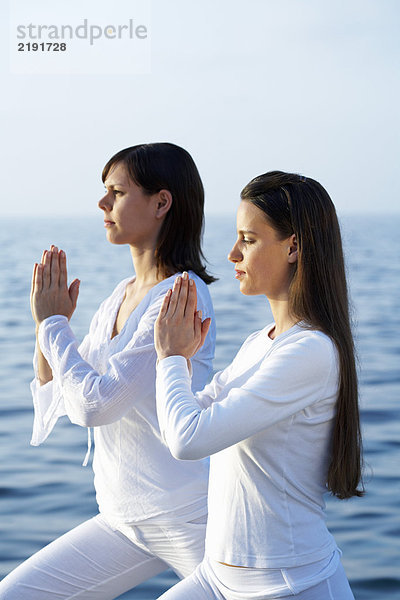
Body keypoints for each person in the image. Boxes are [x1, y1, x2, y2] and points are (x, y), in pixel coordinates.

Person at [0, 143, 216, 599]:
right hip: (121, 519)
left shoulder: (181, 294)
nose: (102, 204)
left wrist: (56, 324)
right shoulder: (119, 295)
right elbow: (58, 390)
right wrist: (45, 323)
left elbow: (97, 404)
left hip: (188, 518)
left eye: (116, 192)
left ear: (162, 202)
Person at [154, 171, 364, 600]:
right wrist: (182, 363)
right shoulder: (260, 343)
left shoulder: (310, 353)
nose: (232, 254)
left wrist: (172, 358)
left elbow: (187, 439)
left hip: (290, 584)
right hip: (218, 577)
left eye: (248, 240)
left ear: (294, 247)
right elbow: (187, 419)